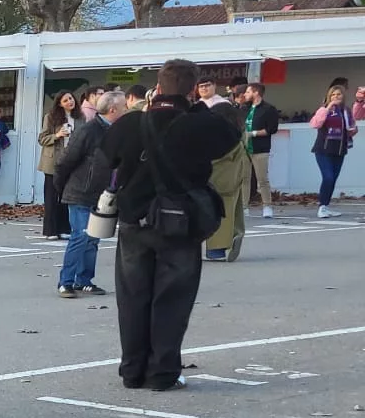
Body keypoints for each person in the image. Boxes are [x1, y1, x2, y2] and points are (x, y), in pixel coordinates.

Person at [100, 58, 239, 391]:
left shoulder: (129, 124)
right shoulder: (200, 123)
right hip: (180, 222)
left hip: (134, 221)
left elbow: (105, 160)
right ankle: (163, 372)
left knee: (132, 297)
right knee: (173, 299)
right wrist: (196, 109)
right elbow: (230, 138)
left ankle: (132, 370)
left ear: (157, 87)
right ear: (193, 91)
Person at [53, 92, 114, 296]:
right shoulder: (89, 130)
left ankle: (84, 280)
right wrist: (61, 187)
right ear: (113, 109)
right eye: (123, 107)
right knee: (80, 236)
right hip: (80, 190)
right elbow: (66, 160)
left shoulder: (114, 131)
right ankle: (66, 282)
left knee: (93, 238)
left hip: (100, 192)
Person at [203, 91, 251, 263]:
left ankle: (215, 250)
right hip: (235, 176)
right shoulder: (240, 132)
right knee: (233, 211)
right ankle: (236, 234)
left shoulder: (217, 135)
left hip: (216, 178)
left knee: (216, 213)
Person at [36, 92, 80, 239]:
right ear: (59, 103)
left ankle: (64, 228)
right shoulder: (50, 117)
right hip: (53, 161)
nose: (69, 102)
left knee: (65, 196)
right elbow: (42, 138)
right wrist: (57, 135)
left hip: (71, 160)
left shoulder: (80, 118)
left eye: (71, 99)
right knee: (51, 197)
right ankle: (50, 230)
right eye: (65, 100)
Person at [308, 83, 355, 218]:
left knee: (333, 179)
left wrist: (353, 131)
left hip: (339, 150)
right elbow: (316, 124)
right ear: (328, 97)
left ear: (343, 96)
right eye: (333, 95)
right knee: (327, 177)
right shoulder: (323, 109)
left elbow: (350, 128)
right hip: (323, 150)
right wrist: (328, 107)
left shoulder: (346, 111)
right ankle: (321, 207)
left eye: (338, 94)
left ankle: (325, 205)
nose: (336, 97)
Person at [242, 82, 280, 218]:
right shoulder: (244, 108)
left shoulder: (268, 109)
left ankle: (267, 206)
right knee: (244, 179)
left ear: (256, 92)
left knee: (262, 179)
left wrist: (254, 133)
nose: (245, 95)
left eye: (248, 92)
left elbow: (272, 129)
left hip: (260, 148)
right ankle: (244, 206)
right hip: (244, 148)